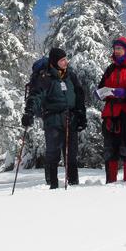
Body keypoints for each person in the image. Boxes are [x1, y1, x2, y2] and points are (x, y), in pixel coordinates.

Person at [21, 48, 87, 189]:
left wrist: (82, 115)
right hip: (53, 120)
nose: (65, 62)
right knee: (53, 153)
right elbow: (36, 96)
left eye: (66, 59)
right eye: (62, 60)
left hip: (71, 119)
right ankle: (52, 184)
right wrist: (29, 112)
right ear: (55, 62)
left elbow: (79, 96)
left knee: (71, 154)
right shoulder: (46, 78)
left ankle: (73, 184)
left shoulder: (71, 76)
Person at [97, 37, 126, 183]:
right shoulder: (110, 69)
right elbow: (101, 87)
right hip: (110, 114)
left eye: (119, 48)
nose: (116, 51)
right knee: (110, 149)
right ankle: (110, 181)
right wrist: (101, 93)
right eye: (115, 48)